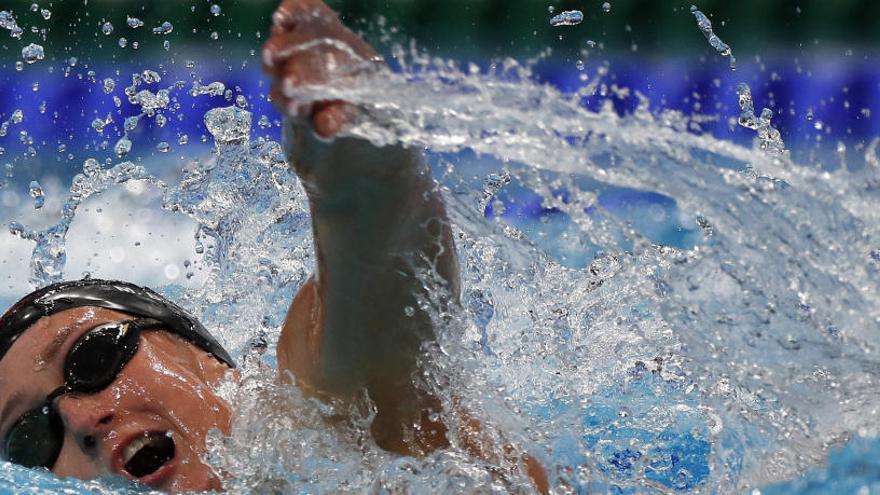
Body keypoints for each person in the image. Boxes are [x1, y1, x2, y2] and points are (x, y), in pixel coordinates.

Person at [0, 0, 548, 492]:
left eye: (94, 356)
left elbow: (380, 300)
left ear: (198, 352)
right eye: (31, 439)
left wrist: (357, 162)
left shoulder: (326, 429)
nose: (76, 418)